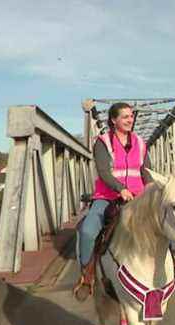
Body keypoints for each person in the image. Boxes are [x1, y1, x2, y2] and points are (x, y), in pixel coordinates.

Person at [75, 102, 149, 296]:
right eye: (125, 117)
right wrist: (121, 189)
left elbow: (145, 171)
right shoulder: (103, 142)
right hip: (108, 197)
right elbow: (103, 172)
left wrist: (151, 189)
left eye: (131, 116)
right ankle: (87, 275)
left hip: (138, 197)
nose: (130, 120)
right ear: (113, 120)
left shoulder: (140, 142)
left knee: (166, 222)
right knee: (88, 231)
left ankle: (172, 265)